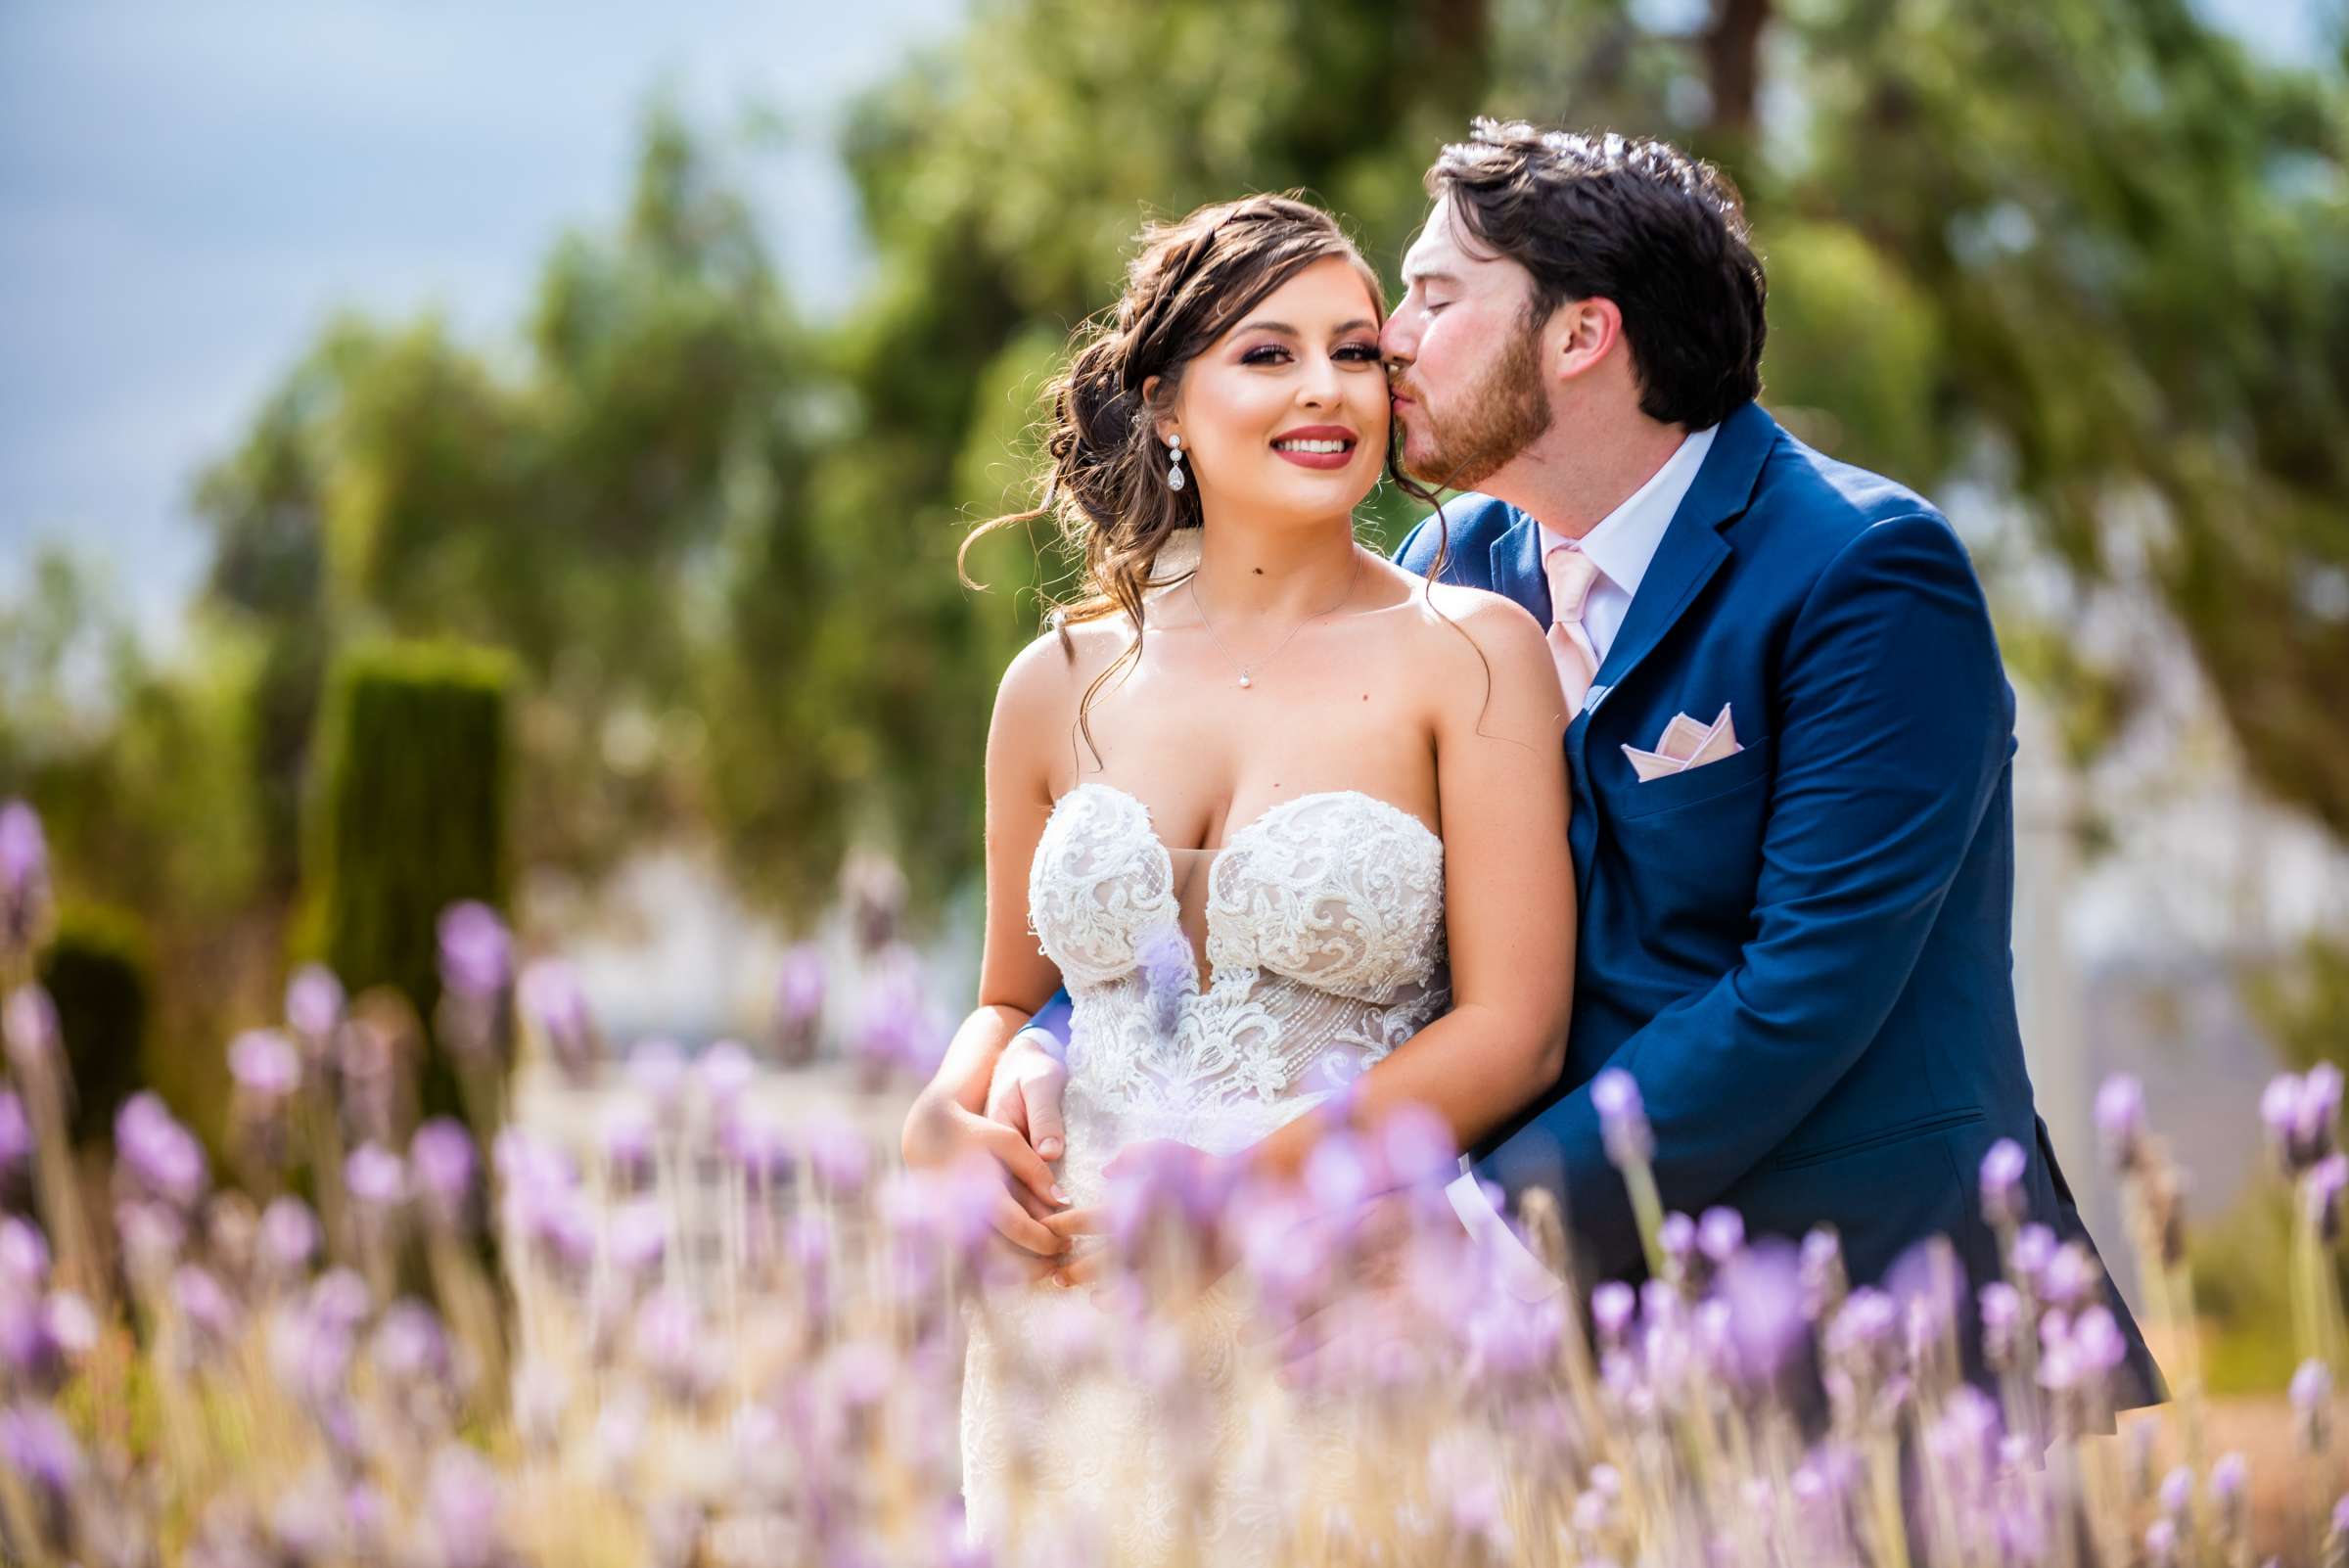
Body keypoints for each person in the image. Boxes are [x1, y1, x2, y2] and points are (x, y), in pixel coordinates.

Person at [981, 121, 2161, 1407]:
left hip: (1866, 1336)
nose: (1391, 344)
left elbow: (1801, 992)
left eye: (1432, 298)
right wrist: (1055, 1028)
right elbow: (1301, 899)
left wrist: (1483, 1230)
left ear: (1579, 336)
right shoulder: (1453, 571)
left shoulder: (1865, 573)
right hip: (1537, 1366)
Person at [898, 192, 1576, 1557]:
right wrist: (933, 1119)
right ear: (1162, 405)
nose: (1327, 389)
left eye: (1354, 350)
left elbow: (1518, 1028)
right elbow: (1009, 996)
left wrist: (1234, 1196)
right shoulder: (1056, 683)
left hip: (1348, 1295)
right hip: (1071, 1317)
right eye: (1268, 354)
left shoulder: (1476, 652)